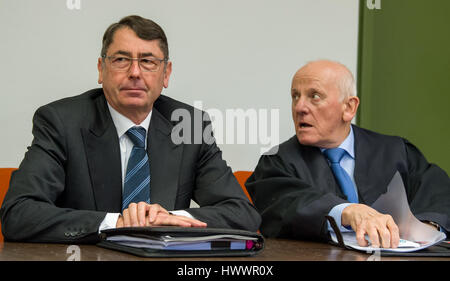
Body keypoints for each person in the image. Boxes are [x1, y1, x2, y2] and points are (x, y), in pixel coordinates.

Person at [0, 15, 260, 244]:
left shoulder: (189, 125)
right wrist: (116, 224)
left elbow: (242, 212)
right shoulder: (60, 122)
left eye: (148, 61)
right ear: (101, 69)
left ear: (166, 73)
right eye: (122, 59)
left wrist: (168, 218)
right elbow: (18, 214)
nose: (135, 72)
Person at [246, 60, 449, 248]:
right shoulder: (277, 162)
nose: (299, 107)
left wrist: (428, 225)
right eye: (295, 96)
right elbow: (284, 206)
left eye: (314, 96)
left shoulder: (394, 151)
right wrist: (346, 211)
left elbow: (437, 192)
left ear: (349, 107)